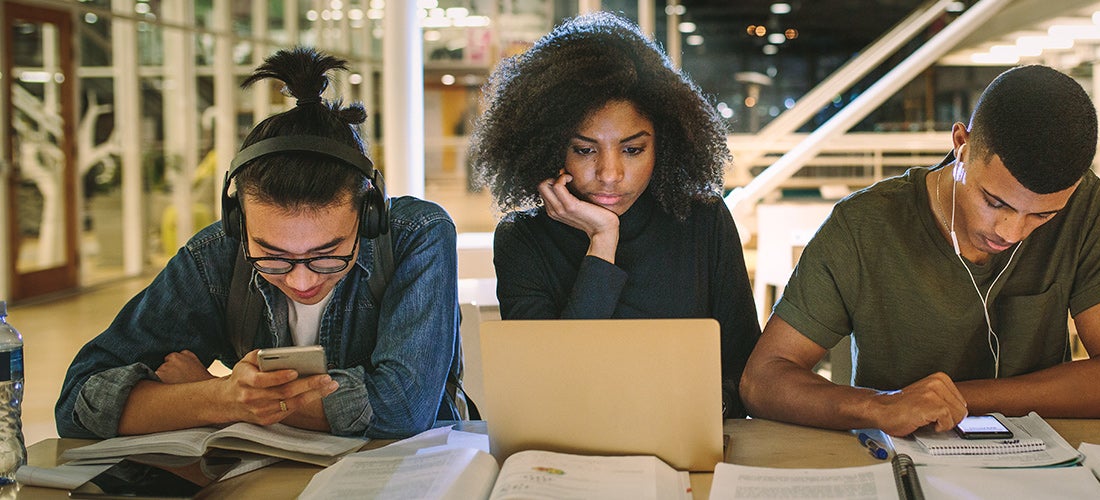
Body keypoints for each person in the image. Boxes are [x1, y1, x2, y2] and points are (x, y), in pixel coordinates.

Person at [55, 47, 462, 439]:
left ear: (369, 214)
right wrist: (220, 398)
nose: (302, 282)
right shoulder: (215, 255)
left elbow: (404, 408)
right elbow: (79, 402)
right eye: (272, 257)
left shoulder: (416, 236)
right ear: (237, 222)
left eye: (328, 255)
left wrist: (215, 393)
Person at [739, 65, 1100, 437]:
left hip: (1042, 468)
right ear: (961, 144)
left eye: (1042, 216)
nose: (1012, 231)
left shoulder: (1083, 206)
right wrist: (880, 405)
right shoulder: (863, 226)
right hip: (899, 464)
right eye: (995, 202)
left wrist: (957, 399)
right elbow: (762, 380)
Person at [469, 13, 760, 418]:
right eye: (586, 150)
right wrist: (602, 241)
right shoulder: (522, 240)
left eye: (633, 149)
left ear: (665, 144)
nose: (610, 174)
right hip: (570, 452)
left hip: (686, 444)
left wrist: (703, 408)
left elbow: (748, 374)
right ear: (551, 148)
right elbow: (550, 385)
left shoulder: (702, 221)